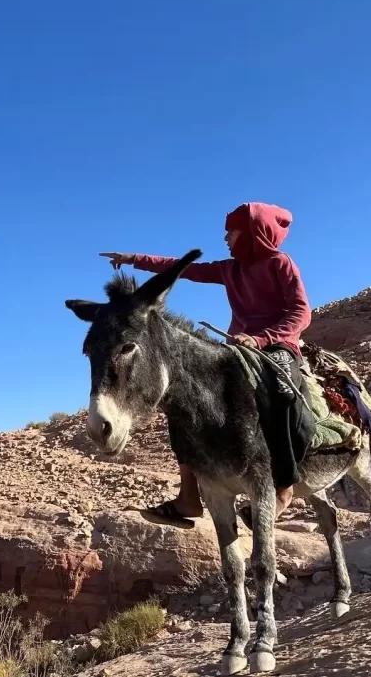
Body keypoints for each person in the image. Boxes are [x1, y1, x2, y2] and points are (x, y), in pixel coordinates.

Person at [100, 202, 313, 529]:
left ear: (254, 232)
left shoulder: (279, 263)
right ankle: (188, 496)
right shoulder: (230, 269)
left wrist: (263, 338)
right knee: (181, 397)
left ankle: (283, 486)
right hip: (237, 349)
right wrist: (134, 260)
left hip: (277, 347)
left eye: (232, 230)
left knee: (282, 394)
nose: (226, 237)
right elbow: (182, 268)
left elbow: (301, 312)